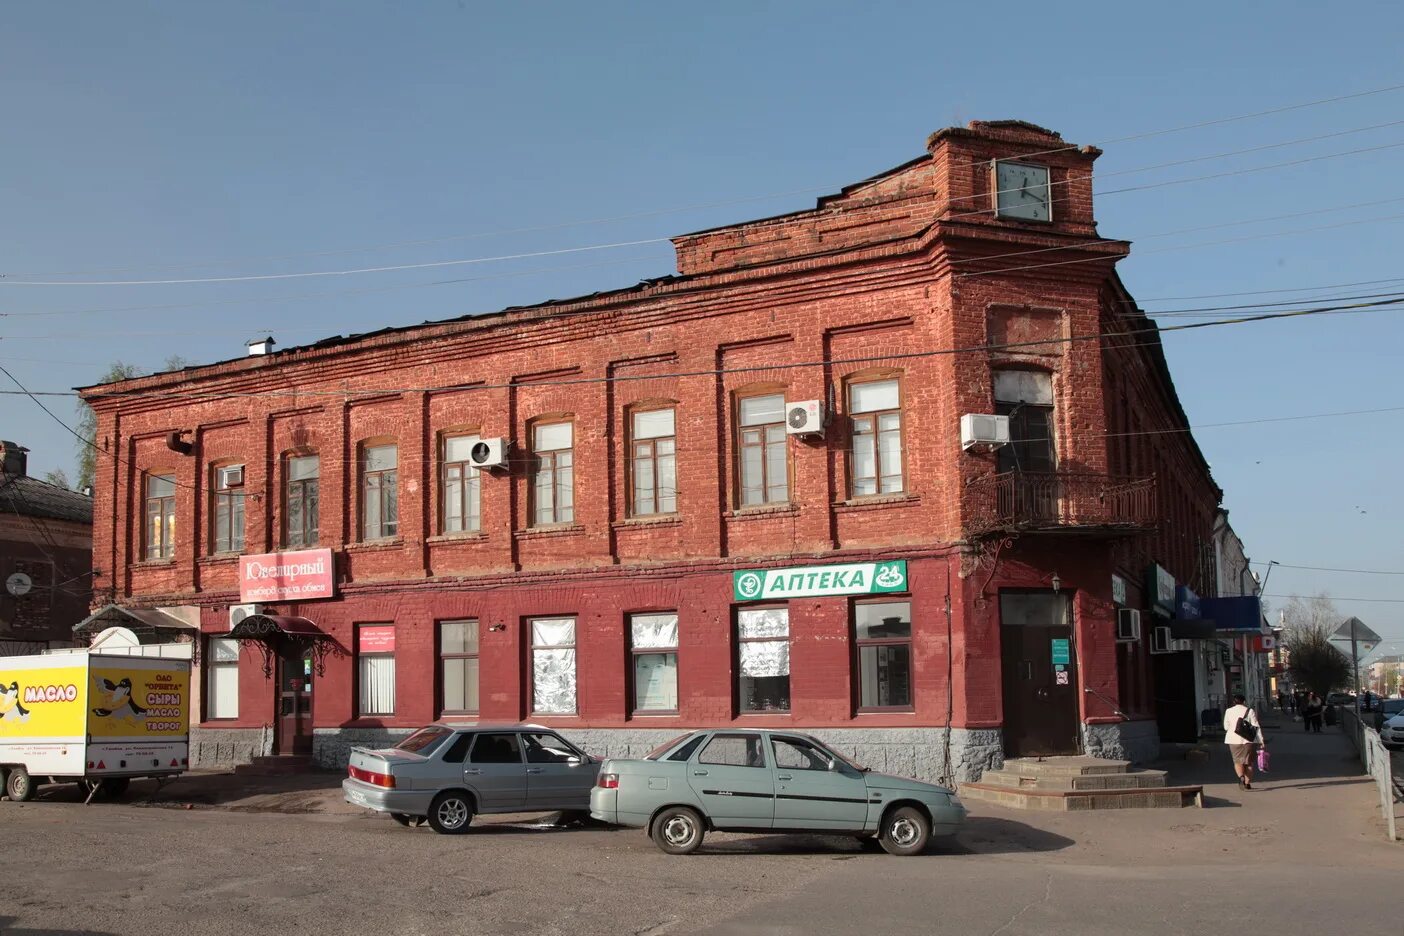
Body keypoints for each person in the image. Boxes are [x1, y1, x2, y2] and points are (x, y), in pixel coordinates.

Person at [1223, 693, 1265, 790]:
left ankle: (1241, 777)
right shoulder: (1250, 711)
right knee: (1249, 763)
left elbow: (1226, 727)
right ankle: (1247, 783)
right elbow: (1256, 727)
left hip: (1233, 740)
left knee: (1237, 761)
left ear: (1234, 702)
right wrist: (1261, 741)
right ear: (1244, 701)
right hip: (1248, 740)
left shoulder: (1228, 711)